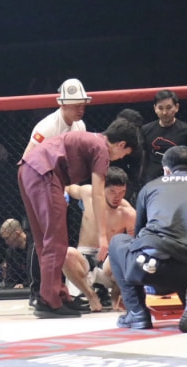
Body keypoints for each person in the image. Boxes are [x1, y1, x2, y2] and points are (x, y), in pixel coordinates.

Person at [17, 118, 139, 318]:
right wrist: (102, 236)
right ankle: (49, 301)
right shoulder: (101, 148)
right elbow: (98, 194)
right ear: (121, 144)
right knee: (56, 241)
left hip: (30, 169)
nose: (119, 158)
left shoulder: (92, 140)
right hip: (44, 172)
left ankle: (57, 295)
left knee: (44, 241)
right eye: (124, 154)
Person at [108, 146, 187, 333]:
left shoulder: (150, 187)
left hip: (156, 264)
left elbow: (139, 236)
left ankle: (137, 312)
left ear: (166, 170)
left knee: (118, 242)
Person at [65, 166, 137, 311]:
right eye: (112, 192)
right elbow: (68, 187)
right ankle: (91, 295)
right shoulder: (88, 193)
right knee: (66, 253)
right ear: (102, 188)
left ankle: (114, 297)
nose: (117, 197)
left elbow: (134, 249)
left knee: (127, 253)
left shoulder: (128, 212)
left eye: (122, 192)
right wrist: (63, 194)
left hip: (109, 262)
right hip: (84, 257)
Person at [140, 90, 187, 185]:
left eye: (169, 107)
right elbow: (142, 160)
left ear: (176, 107)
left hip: (180, 179)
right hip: (153, 180)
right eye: (160, 108)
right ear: (155, 108)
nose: (164, 112)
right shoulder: (146, 130)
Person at [21, 78, 92, 158]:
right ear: (63, 105)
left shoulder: (80, 125)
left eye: (83, 106)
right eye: (76, 106)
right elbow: (26, 159)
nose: (81, 110)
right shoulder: (46, 127)